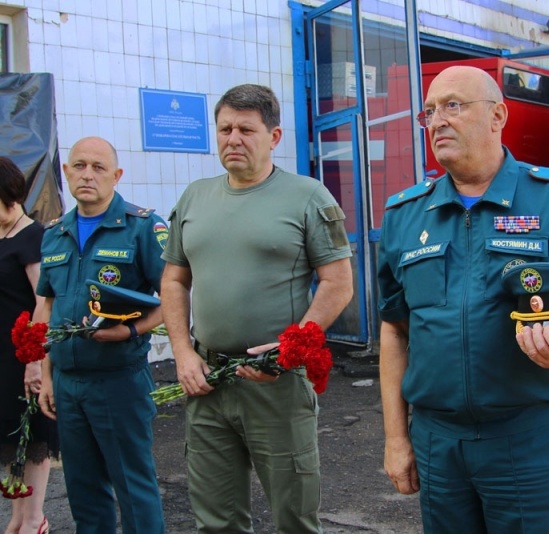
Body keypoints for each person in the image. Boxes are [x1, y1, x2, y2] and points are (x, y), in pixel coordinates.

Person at [377, 65, 549, 533]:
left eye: (453, 105)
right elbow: (394, 329)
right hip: (437, 439)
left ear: (498, 116)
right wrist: (396, 438)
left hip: (527, 434)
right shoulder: (405, 215)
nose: (437, 121)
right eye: (428, 111)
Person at [161, 83, 353, 533]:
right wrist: (183, 353)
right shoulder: (194, 197)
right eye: (225, 128)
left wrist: (293, 346)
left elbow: (338, 283)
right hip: (208, 383)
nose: (233, 139)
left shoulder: (308, 196)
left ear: (274, 137)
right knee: (216, 520)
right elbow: (173, 279)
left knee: (295, 517)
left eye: (246, 129)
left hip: (276, 385)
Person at [36, 137, 167, 533]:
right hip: (68, 383)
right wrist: (45, 376)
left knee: (133, 486)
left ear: (116, 175)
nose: (87, 174)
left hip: (118, 381)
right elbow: (47, 307)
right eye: (78, 166)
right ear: (66, 172)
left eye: (97, 166)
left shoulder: (142, 227)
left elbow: (173, 299)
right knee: (83, 490)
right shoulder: (54, 233)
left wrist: (130, 329)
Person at [0, 157, 58, 534]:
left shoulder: (31, 236)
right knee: (10, 431)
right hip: (2, 356)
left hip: (23, 354)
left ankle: (35, 518)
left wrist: (35, 359)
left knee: (33, 431)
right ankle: (18, 517)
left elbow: (43, 300)